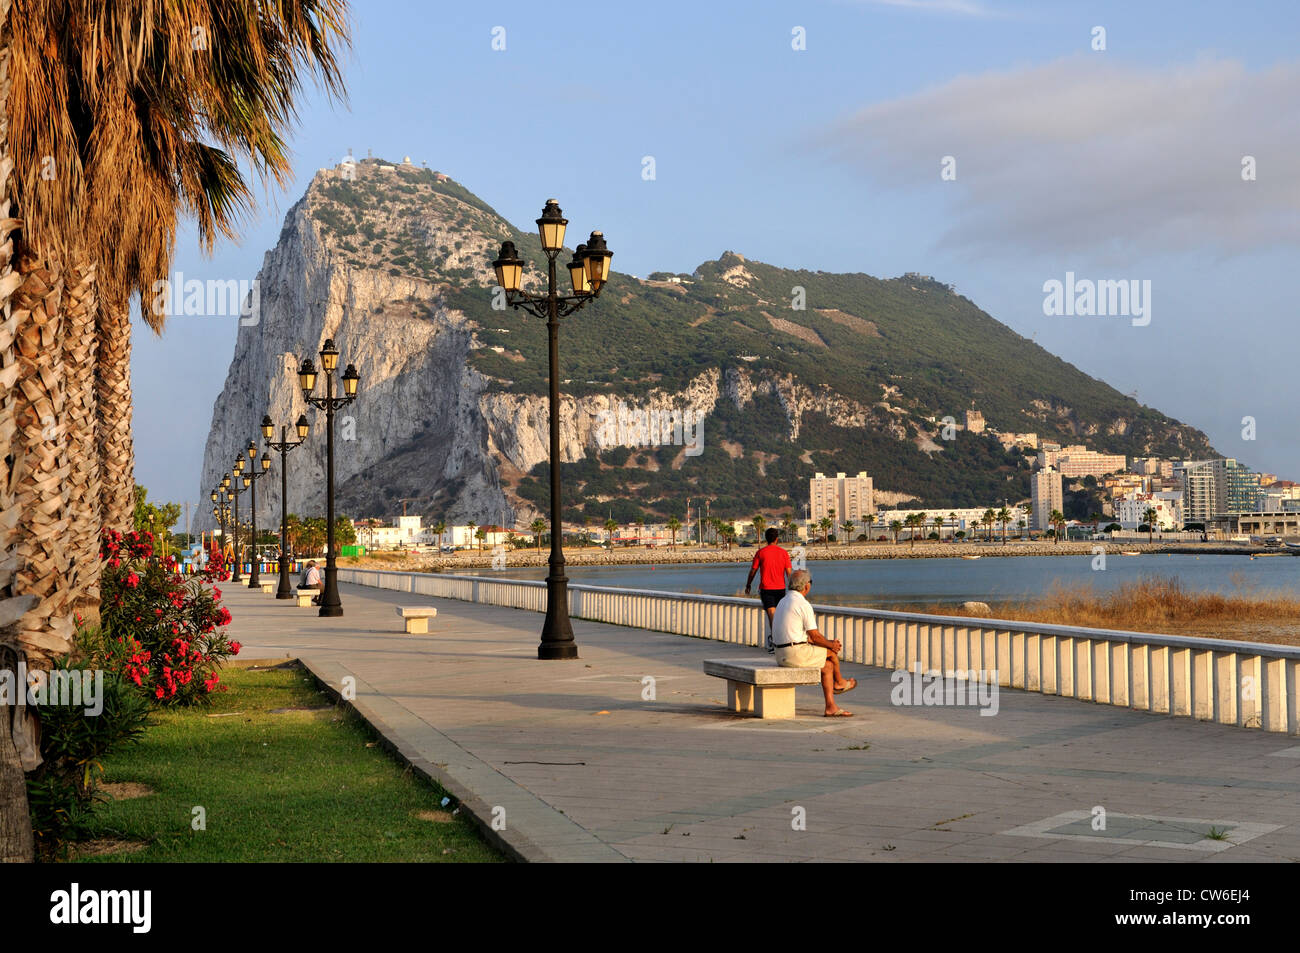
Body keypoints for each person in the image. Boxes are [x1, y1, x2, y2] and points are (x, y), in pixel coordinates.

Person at [771, 569, 856, 717]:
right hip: (794, 654)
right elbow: (815, 636)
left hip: (780, 654)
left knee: (827, 666)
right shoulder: (802, 604)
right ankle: (840, 683)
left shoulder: (783, 601)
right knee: (831, 654)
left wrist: (828, 642)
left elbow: (804, 637)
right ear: (806, 586)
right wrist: (832, 645)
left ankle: (831, 706)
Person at [744, 527, 792, 653]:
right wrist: (793, 589)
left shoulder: (761, 552)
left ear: (766, 539)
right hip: (781, 589)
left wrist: (748, 584)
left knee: (772, 616)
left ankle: (775, 643)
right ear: (777, 539)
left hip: (766, 589)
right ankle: (779, 642)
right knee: (779, 616)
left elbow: (753, 571)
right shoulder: (784, 553)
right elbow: (789, 573)